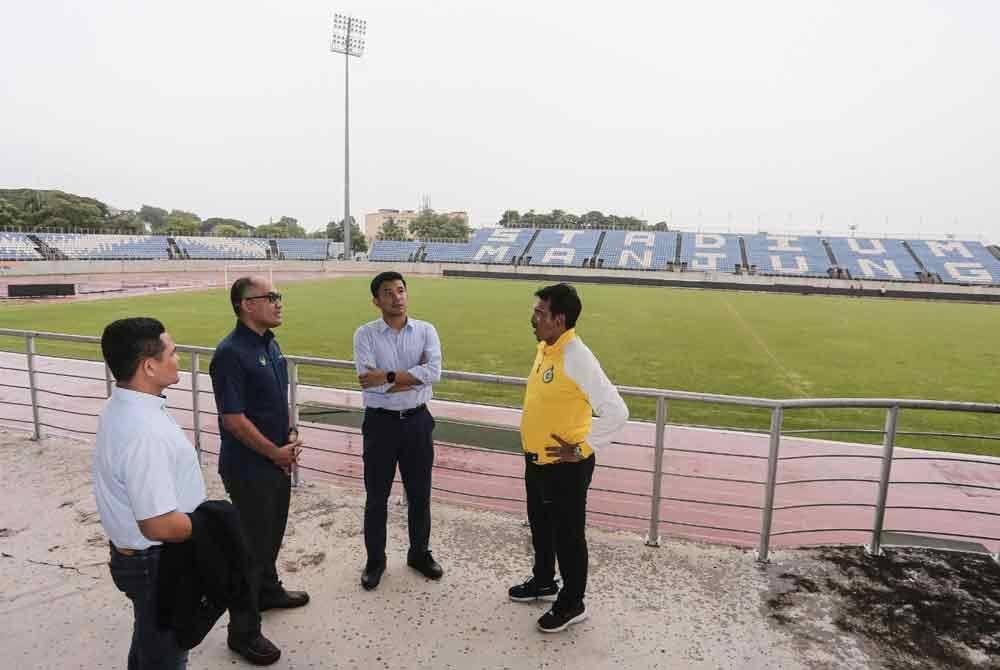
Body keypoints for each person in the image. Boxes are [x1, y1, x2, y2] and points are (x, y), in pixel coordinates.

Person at [93, 317, 281, 668]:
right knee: (166, 656)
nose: (178, 358)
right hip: (157, 561)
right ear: (149, 366)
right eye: (173, 352)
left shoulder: (121, 407)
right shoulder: (144, 433)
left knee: (150, 644)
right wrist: (211, 526)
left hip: (139, 559)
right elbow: (159, 525)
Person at [509, 283, 629, 633]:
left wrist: (581, 448)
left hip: (565, 468)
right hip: (537, 462)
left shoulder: (576, 355)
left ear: (559, 320)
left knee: (568, 537)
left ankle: (573, 602)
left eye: (540, 313)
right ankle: (544, 581)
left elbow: (617, 412)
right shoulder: (547, 347)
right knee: (541, 527)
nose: (533, 319)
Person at [210, 278, 309, 636]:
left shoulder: (271, 344)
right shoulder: (230, 354)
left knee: (269, 539)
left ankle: (268, 591)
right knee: (250, 550)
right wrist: (275, 453)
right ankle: (243, 631)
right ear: (247, 305)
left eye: (279, 296)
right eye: (271, 297)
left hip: (275, 461)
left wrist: (290, 434)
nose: (279, 303)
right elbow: (233, 420)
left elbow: (271, 405)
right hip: (250, 468)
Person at [353, 271, 443, 590]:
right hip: (380, 424)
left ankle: (419, 554)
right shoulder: (365, 335)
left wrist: (388, 376)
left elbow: (434, 372)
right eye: (388, 292)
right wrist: (410, 378)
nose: (397, 297)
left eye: (401, 290)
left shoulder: (426, 330)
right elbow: (369, 383)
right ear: (377, 300)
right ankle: (375, 561)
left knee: (420, 495)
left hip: (418, 422)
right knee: (376, 497)